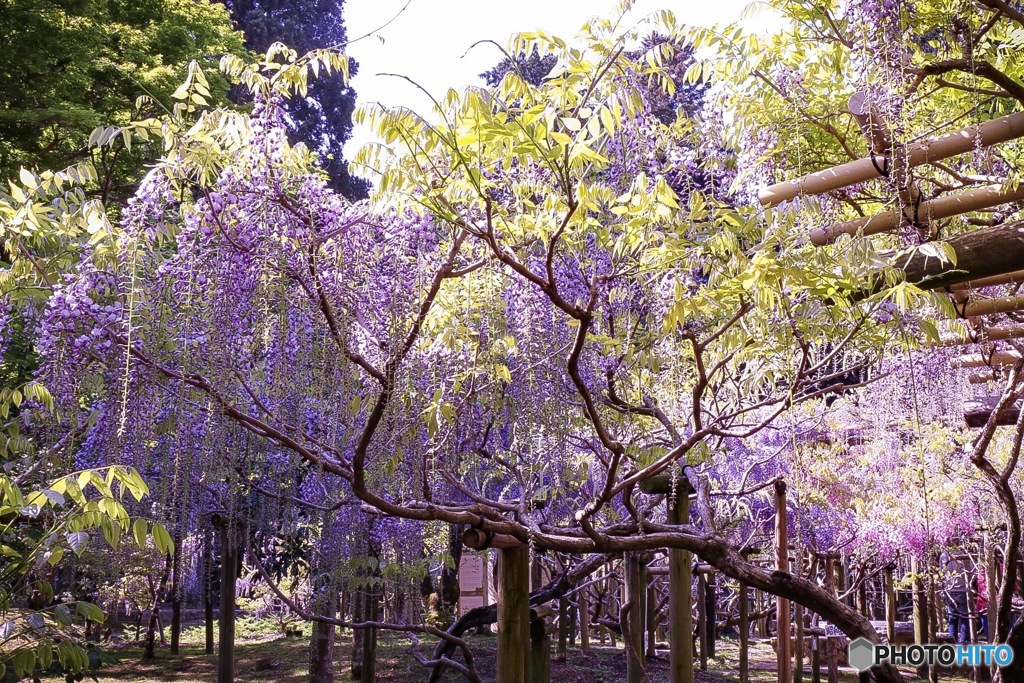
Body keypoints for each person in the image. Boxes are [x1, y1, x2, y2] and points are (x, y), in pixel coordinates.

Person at [941, 550, 970, 643]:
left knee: (952, 619)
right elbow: (971, 571)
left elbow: (941, 572)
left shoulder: (944, 555)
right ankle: (964, 643)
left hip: (950, 590)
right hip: (963, 590)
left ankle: (951, 643)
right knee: (965, 618)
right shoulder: (965, 553)